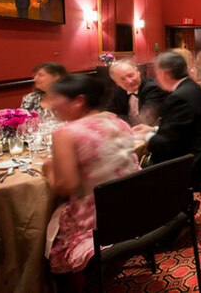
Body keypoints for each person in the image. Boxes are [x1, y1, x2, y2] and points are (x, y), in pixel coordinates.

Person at [43, 75, 139, 277]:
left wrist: (49, 172)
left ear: (78, 101)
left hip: (97, 223)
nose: (52, 105)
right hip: (134, 209)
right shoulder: (118, 123)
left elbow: (65, 187)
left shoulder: (66, 134)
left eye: (56, 99)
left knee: (39, 224)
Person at [133, 52, 201, 186]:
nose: (156, 79)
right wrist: (154, 129)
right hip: (198, 159)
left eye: (157, 74)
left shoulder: (179, 98)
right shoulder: (193, 89)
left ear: (165, 73)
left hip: (185, 167)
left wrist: (146, 136)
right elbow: (183, 130)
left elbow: (166, 145)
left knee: (127, 180)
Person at [104, 59, 167, 126]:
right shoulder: (119, 90)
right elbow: (107, 112)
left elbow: (143, 121)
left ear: (137, 72)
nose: (129, 81)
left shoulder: (153, 88)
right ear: (116, 82)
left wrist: (115, 117)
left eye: (130, 75)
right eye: (122, 79)